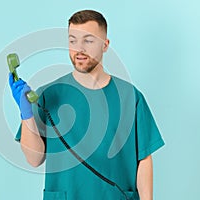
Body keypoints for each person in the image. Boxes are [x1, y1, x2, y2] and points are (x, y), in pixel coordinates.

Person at [9, 10, 164, 200]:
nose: (79, 49)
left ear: (105, 45)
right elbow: (34, 159)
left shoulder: (130, 97)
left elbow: (144, 158)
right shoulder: (48, 95)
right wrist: (27, 115)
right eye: (72, 40)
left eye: (88, 41)